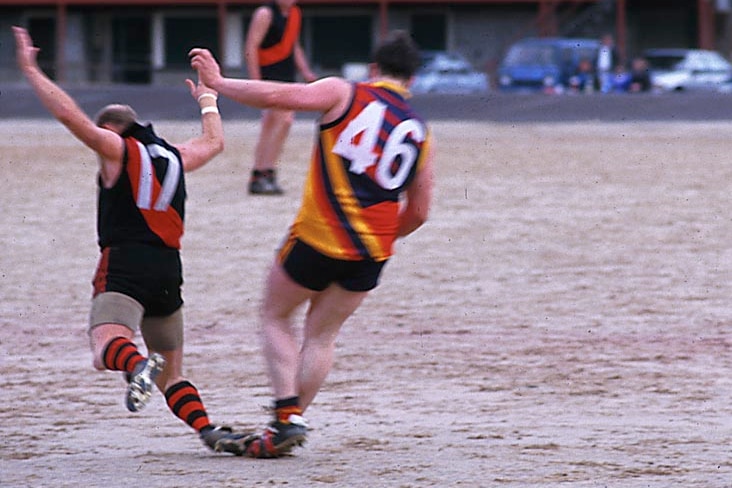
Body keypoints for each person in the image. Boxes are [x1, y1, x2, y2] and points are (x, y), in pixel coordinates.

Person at [189, 29, 434, 457]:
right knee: (322, 336)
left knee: (275, 314)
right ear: (411, 81)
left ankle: (285, 417)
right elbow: (419, 212)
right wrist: (377, 235)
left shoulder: (344, 92)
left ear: (373, 69)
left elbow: (279, 96)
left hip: (319, 238)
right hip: (372, 254)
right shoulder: (419, 131)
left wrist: (221, 84)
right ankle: (288, 422)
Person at [13, 26, 248, 454]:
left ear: (112, 132)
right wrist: (208, 100)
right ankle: (208, 429)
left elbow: (70, 118)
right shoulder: (174, 155)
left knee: (105, 348)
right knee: (172, 375)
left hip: (125, 262)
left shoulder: (116, 148)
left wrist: (31, 70)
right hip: (168, 270)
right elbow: (214, 142)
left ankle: (137, 364)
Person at [244, 0, 317, 195]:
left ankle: (260, 173)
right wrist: (255, 82)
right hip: (268, 76)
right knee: (283, 121)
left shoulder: (294, 14)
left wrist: (306, 73)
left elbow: (294, 46)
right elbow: (251, 46)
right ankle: (265, 172)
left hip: (286, 76)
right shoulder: (265, 14)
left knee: (273, 125)